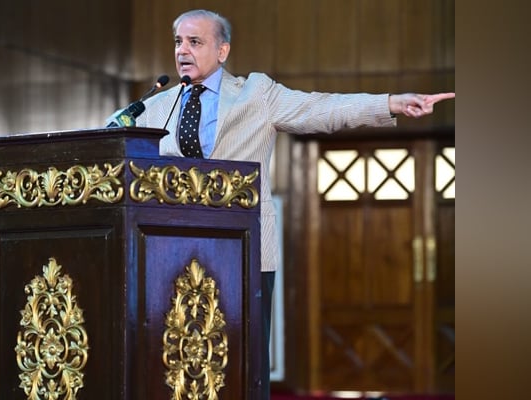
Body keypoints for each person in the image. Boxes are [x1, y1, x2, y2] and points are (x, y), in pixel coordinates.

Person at [119, 9, 455, 400]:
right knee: (177, 357)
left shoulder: (256, 94)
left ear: (223, 50)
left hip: (245, 252)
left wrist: (391, 103)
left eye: (195, 42)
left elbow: (322, 108)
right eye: (178, 42)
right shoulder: (158, 107)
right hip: (171, 254)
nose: (183, 51)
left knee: (245, 361)